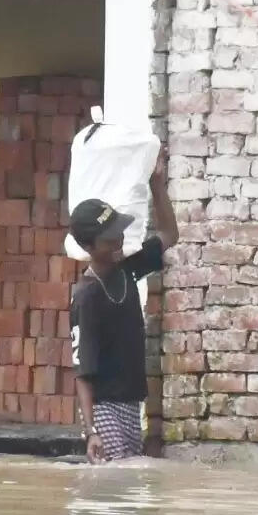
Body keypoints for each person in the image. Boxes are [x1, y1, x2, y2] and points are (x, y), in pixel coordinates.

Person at [70, 153, 178, 464]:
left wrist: (157, 184)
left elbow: (170, 234)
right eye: (109, 238)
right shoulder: (86, 297)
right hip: (105, 409)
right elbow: (82, 372)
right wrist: (91, 431)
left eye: (117, 231)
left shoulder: (128, 268)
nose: (118, 239)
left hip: (132, 404)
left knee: (128, 483)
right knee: (114, 480)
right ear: (89, 247)